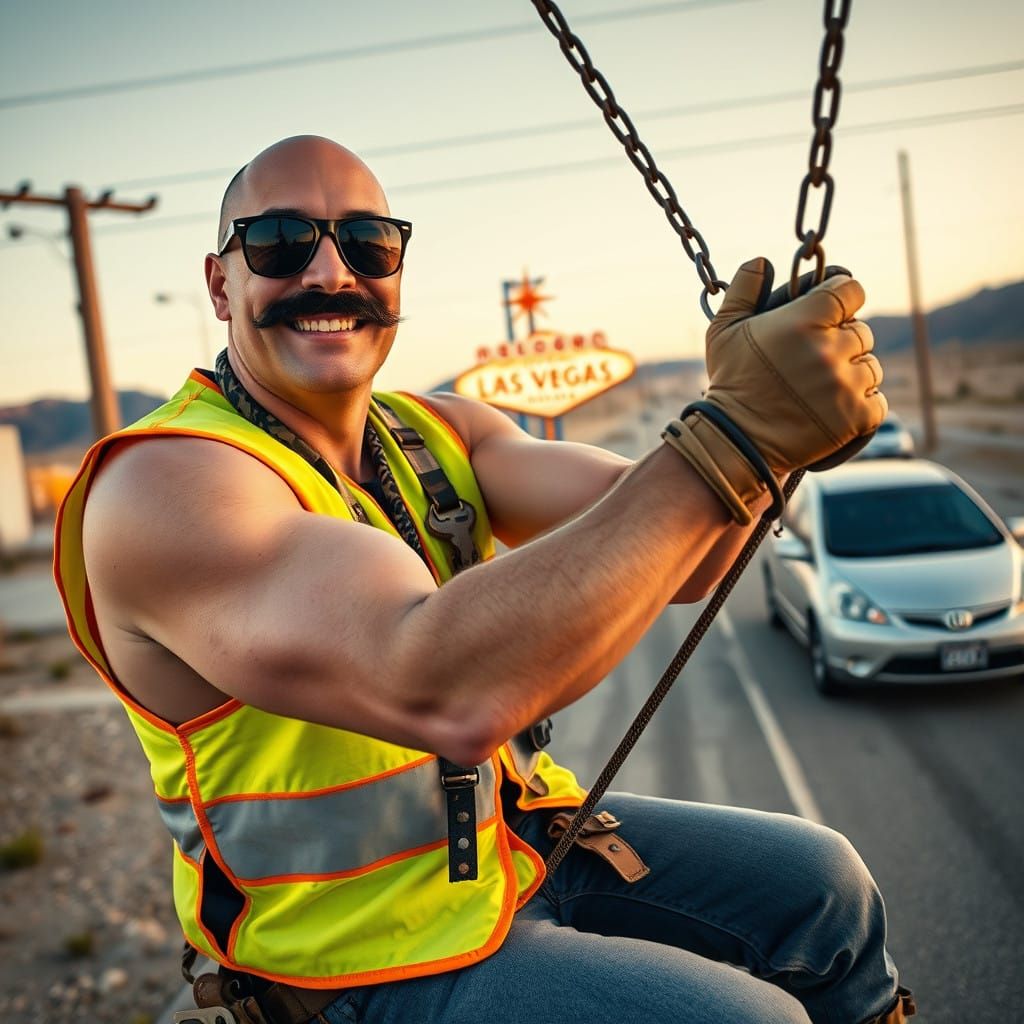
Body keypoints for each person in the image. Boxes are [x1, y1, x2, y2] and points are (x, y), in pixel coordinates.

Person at [55, 135, 915, 1024]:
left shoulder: (439, 433)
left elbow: (686, 552)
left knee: (826, 888)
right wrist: (733, 438)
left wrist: (770, 440)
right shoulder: (165, 484)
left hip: (515, 845)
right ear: (219, 283)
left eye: (368, 243)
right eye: (279, 242)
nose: (331, 272)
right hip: (354, 954)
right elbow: (444, 689)